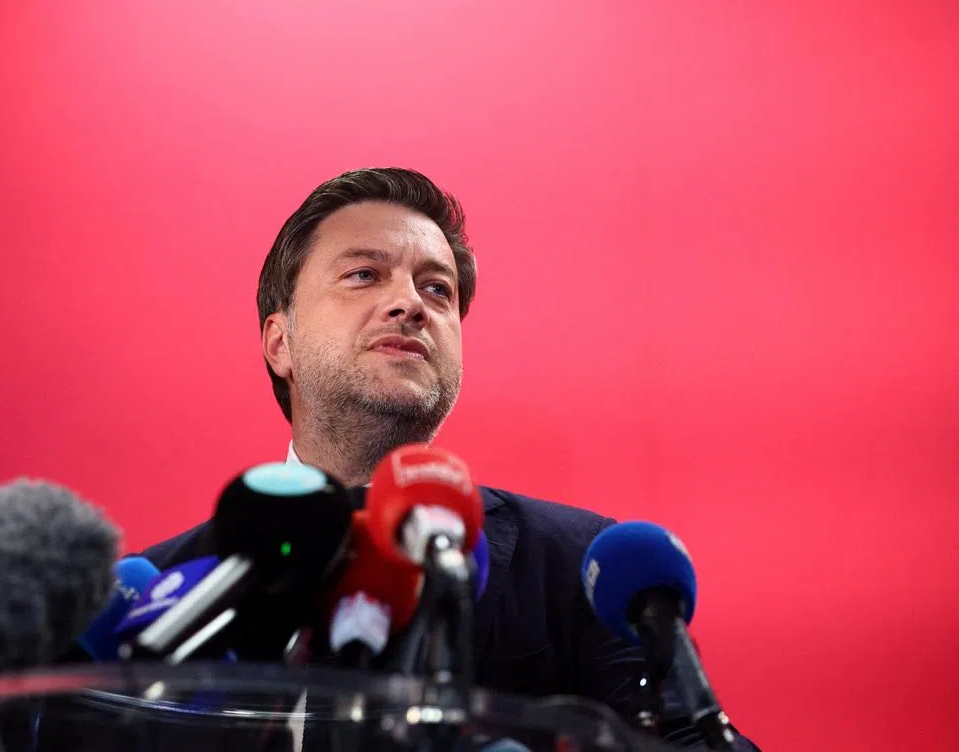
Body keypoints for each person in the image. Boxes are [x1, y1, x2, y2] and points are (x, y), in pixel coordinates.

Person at [141, 168, 760, 750]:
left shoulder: (580, 571)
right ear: (280, 342)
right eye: (364, 274)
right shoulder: (151, 601)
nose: (410, 304)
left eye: (437, 289)